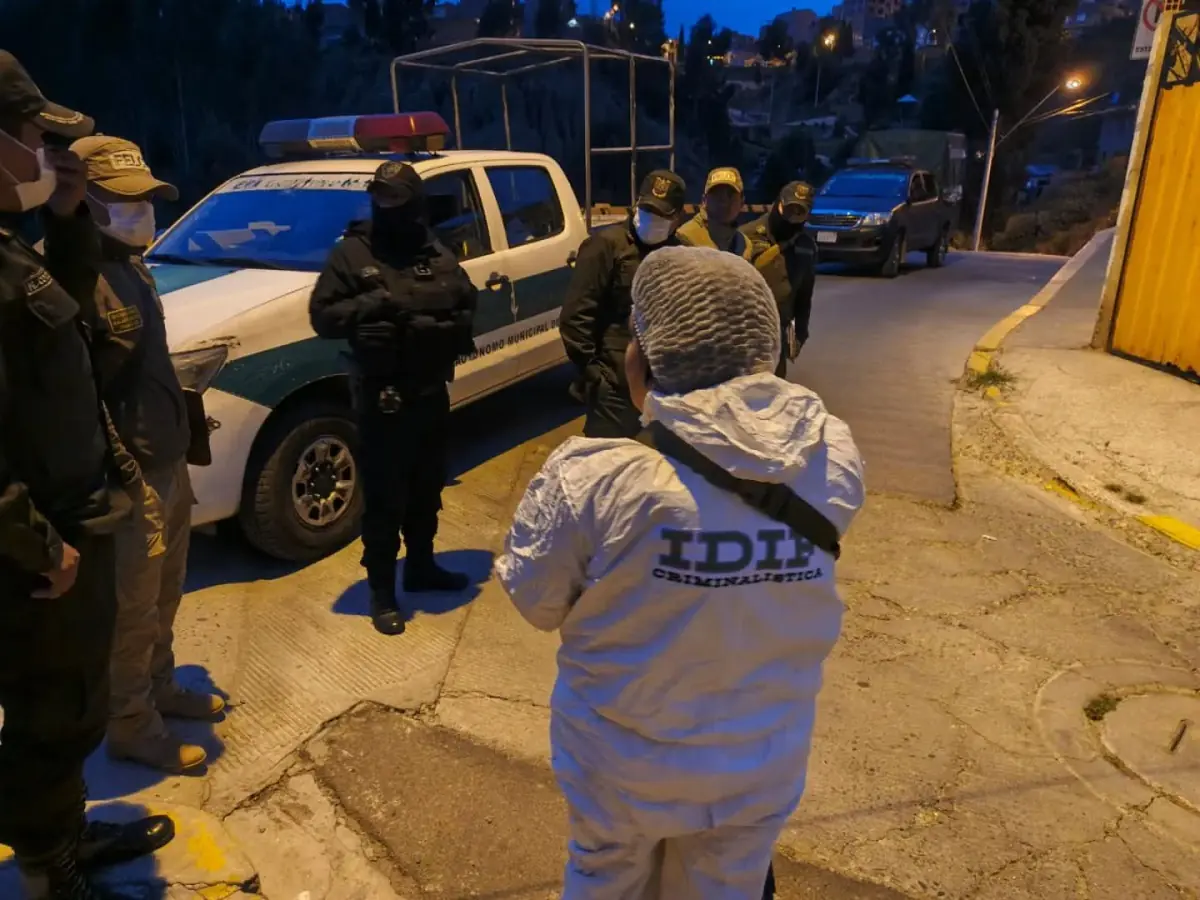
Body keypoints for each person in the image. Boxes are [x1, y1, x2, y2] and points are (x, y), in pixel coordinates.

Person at [496, 245, 865, 898]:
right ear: (764, 350)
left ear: (642, 357)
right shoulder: (829, 456)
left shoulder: (597, 480)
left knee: (605, 881)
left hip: (618, 769)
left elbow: (537, 601)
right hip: (761, 763)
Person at [1, 51, 174, 900]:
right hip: (37, 551)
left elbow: (57, 320)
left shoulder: (10, 247)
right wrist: (41, 545)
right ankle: (50, 870)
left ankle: (62, 832)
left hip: (71, 520)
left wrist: (65, 215)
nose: (49, 153)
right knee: (48, 714)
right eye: (33, 137)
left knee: (71, 705)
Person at [70, 134, 225, 775]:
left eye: (146, 198)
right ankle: (131, 725)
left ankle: (159, 687)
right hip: (129, 475)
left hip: (168, 461)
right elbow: (77, 401)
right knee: (131, 608)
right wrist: (123, 478)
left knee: (165, 591)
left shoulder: (131, 267)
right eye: (125, 201)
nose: (142, 212)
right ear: (80, 201)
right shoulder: (73, 280)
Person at [310, 161, 477, 636]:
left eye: (396, 198)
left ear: (415, 202)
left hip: (430, 391)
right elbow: (322, 317)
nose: (386, 206)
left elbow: (466, 299)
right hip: (383, 398)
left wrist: (437, 320)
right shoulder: (352, 252)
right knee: (385, 499)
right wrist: (371, 306)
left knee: (427, 488)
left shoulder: (433, 249)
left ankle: (421, 566)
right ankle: (382, 592)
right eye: (379, 196)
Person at [560, 169, 686, 439]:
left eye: (661, 214)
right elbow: (576, 316)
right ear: (636, 204)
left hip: (664, 389)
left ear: (677, 218)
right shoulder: (605, 246)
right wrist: (595, 374)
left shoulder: (682, 254)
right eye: (647, 209)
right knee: (608, 460)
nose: (651, 219)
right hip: (614, 391)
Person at [742, 181, 818, 377]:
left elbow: (805, 294)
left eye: (800, 212)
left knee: (772, 389)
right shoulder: (747, 235)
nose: (793, 217)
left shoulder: (806, 246)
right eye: (789, 209)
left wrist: (800, 332)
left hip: (778, 335)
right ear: (778, 204)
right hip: (745, 333)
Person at [676, 166, 753, 258]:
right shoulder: (685, 238)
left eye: (730, 195)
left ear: (742, 202)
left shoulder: (745, 244)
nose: (724, 201)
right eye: (717, 194)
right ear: (704, 201)